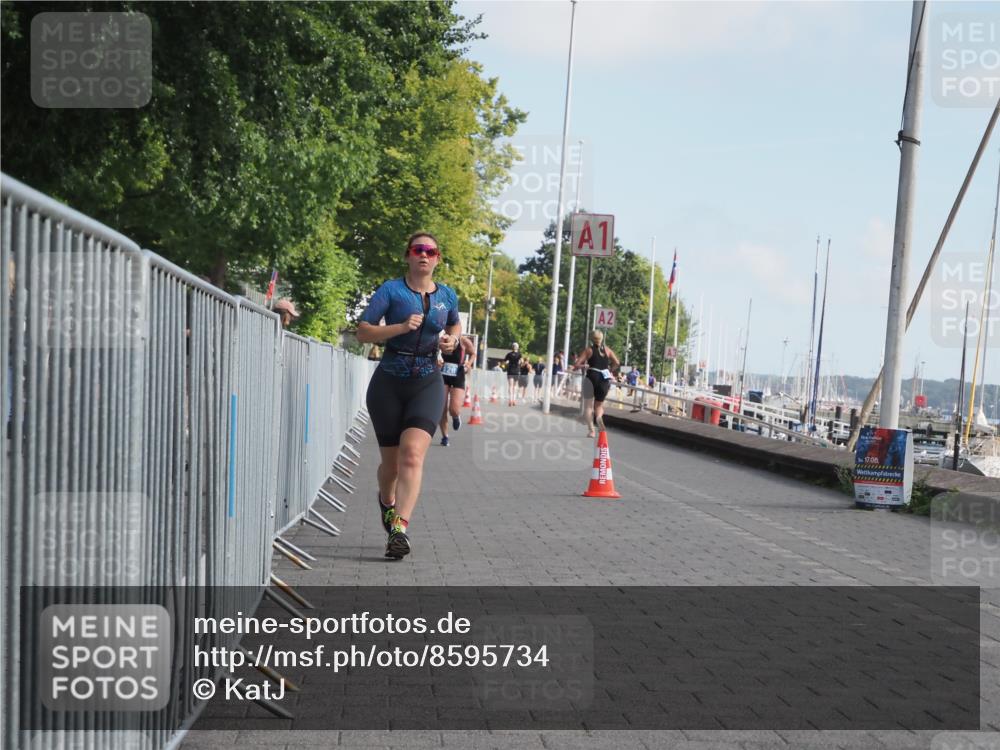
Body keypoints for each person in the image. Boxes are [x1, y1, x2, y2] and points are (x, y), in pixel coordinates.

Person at [355, 232, 460, 560]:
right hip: (388, 383)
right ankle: (387, 503)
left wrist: (452, 342)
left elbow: (454, 327)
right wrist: (399, 327)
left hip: (427, 380)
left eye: (430, 251)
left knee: (412, 455)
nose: (424, 255)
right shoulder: (391, 290)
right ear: (408, 256)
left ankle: (399, 527)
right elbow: (363, 332)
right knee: (391, 465)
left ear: (437, 258)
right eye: (418, 250)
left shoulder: (447, 296)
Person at [573, 329, 621, 438]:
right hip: (604, 379)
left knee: (588, 406)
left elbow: (576, 364)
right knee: (598, 405)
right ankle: (599, 417)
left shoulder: (588, 350)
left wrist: (584, 366)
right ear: (602, 339)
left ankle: (591, 431)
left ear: (592, 339)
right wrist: (610, 369)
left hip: (591, 377)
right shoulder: (607, 350)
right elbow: (617, 362)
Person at [439, 334, 476, 446]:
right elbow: (432, 352)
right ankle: (445, 436)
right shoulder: (442, 339)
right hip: (443, 374)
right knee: (442, 408)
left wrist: (468, 364)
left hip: (458, 374)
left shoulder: (463, 341)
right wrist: (437, 360)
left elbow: (473, 353)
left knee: (453, 409)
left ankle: (456, 416)